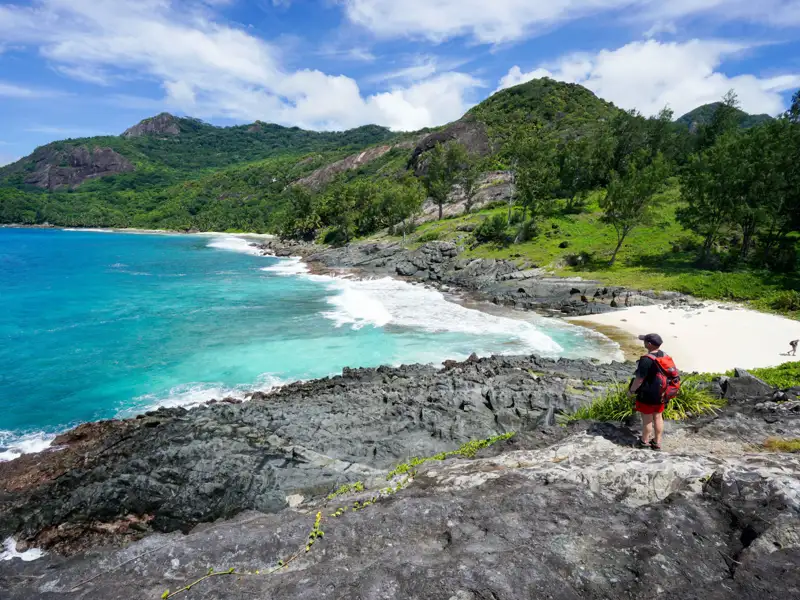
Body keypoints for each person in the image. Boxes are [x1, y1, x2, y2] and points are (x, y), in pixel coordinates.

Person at [628, 333, 667, 451]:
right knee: (658, 416)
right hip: (661, 392)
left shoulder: (646, 359)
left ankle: (644, 441)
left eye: (644, 341)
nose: (643, 343)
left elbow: (639, 379)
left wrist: (631, 391)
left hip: (648, 392)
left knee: (647, 418)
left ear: (649, 344)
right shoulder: (664, 355)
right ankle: (657, 442)